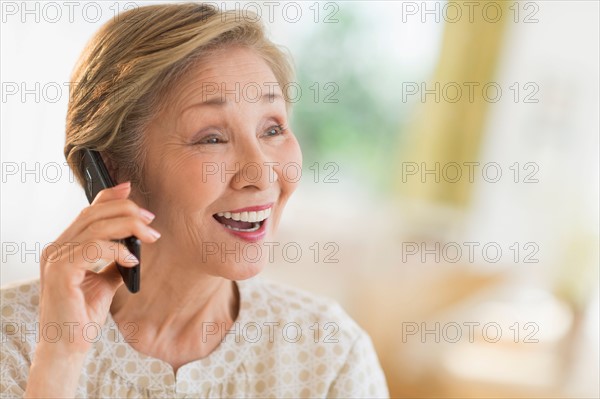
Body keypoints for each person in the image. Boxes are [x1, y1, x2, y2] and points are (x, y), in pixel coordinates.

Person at [1, 3, 389, 398]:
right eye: (212, 139)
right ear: (112, 169)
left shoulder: (329, 354)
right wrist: (60, 359)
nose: (261, 173)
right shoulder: (11, 336)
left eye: (272, 129)